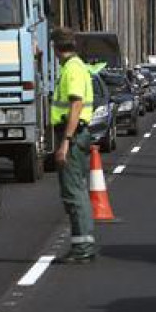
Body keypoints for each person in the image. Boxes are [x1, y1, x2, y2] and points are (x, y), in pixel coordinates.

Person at [50, 26, 96, 264]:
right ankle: (83, 243)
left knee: (73, 192)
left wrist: (65, 143)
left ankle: (83, 247)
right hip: (74, 134)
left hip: (73, 135)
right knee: (76, 190)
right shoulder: (74, 67)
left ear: (56, 48)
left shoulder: (73, 70)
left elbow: (76, 106)